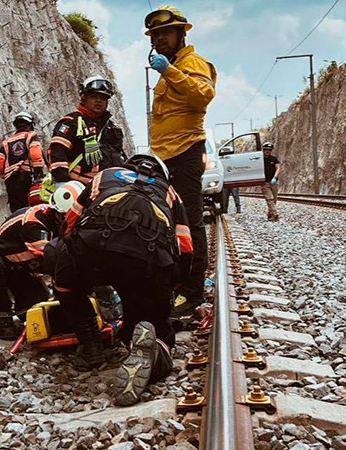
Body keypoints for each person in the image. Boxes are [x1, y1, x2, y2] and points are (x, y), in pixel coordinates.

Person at [51, 154, 193, 406]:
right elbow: (185, 246)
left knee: (65, 284)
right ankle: (152, 346)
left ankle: (91, 344)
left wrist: (74, 261)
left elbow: (71, 222)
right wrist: (169, 290)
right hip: (146, 262)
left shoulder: (103, 176)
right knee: (152, 323)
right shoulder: (170, 193)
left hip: (93, 249)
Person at [145, 5, 217, 312]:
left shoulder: (192, 62)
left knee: (190, 221)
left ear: (181, 34)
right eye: (156, 35)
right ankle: (175, 280)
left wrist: (168, 71)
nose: (160, 39)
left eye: (166, 33)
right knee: (166, 223)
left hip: (186, 152)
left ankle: (193, 291)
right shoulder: (172, 66)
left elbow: (203, 94)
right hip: (164, 157)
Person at [0, 182, 82, 339]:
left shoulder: (60, 224)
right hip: (0, 262)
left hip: (23, 269)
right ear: (59, 212)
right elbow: (54, 263)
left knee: (38, 315)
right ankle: (3, 320)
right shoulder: (34, 223)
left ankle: (23, 307)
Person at [47, 76, 127, 185]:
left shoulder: (111, 128)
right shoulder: (71, 121)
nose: (99, 101)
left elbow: (119, 156)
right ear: (84, 98)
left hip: (110, 186)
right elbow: (57, 151)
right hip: (79, 187)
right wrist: (64, 181)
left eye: (103, 98)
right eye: (94, 96)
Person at [0, 111, 45, 212]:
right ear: (30, 124)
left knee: (17, 210)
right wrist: (38, 172)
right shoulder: (30, 136)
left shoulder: (6, 141)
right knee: (31, 207)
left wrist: (3, 175)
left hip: (10, 181)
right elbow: (35, 154)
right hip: (26, 177)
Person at [262, 142, 281, 221]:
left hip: (274, 182)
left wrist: (275, 177)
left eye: (270, 150)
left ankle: (270, 214)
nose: (268, 151)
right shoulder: (260, 159)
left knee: (274, 199)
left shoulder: (273, 159)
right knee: (269, 198)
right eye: (266, 150)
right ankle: (275, 214)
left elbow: (278, 168)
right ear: (263, 150)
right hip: (265, 183)